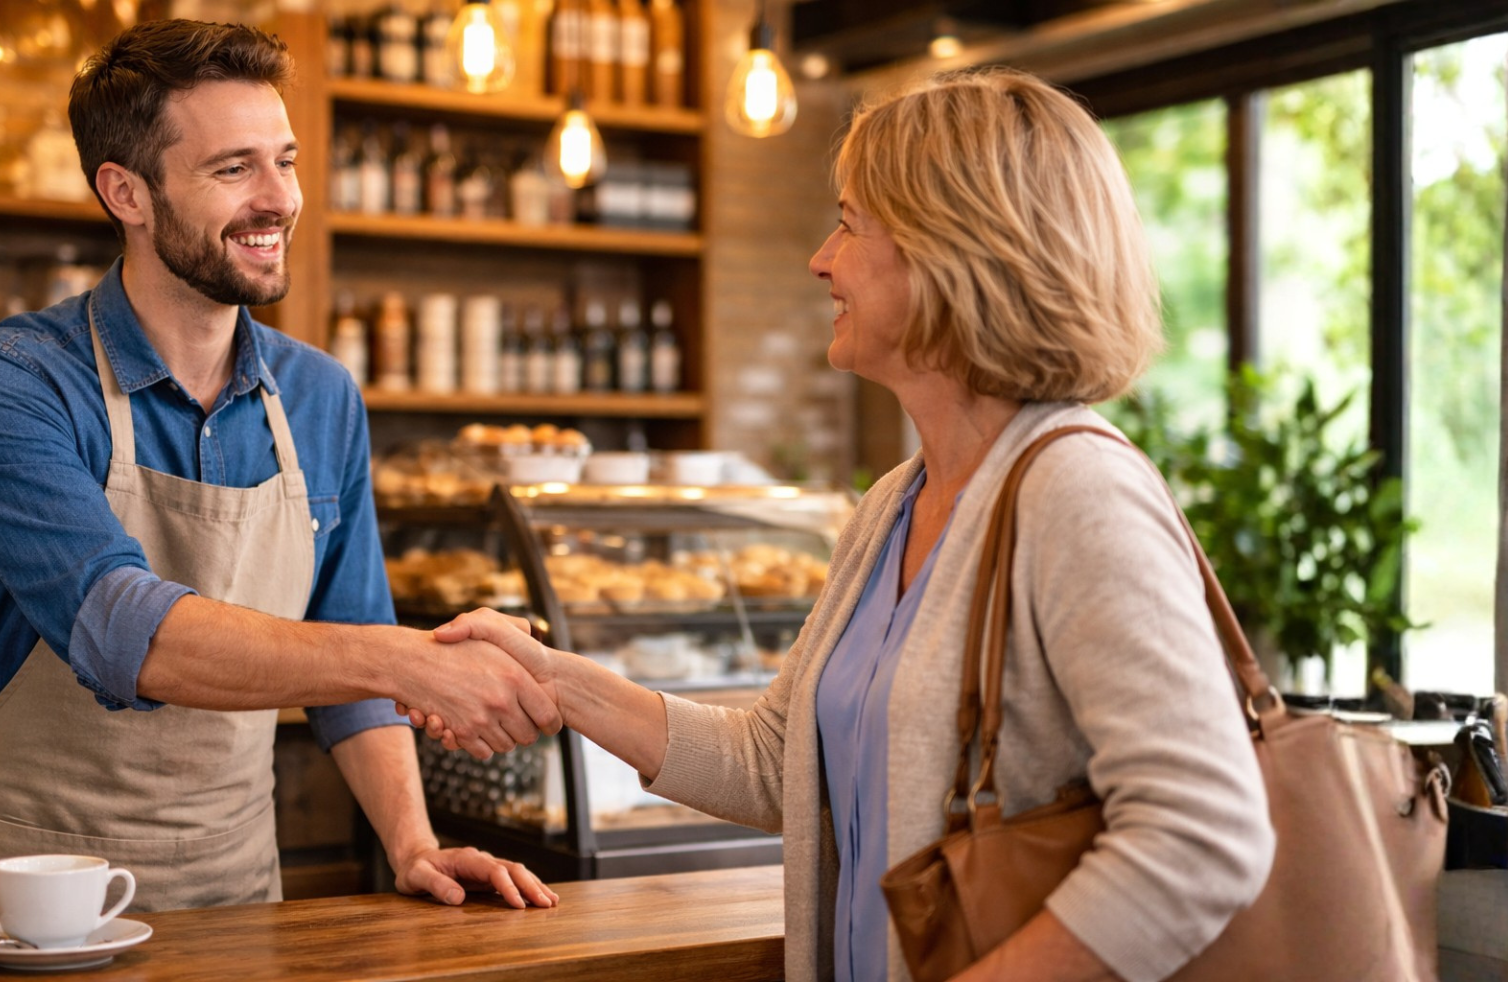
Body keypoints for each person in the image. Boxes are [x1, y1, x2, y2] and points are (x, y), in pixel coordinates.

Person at [411, 68, 1275, 982]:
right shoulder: (894, 505)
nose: (821, 258)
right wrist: (555, 680)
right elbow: (773, 763)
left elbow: (1202, 834)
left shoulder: (1076, 490)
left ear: (956, 251)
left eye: (852, 224)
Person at [0, 20, 559, 916]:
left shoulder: (320, 396)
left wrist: (412, 843)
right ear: (127, 193)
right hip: (28, 906)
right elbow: (125, 631)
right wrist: (406, 661)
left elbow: (350, 650)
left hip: (239, 900)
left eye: (287, 162)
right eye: (234, 170)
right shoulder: (8, 385)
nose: (279, 200)